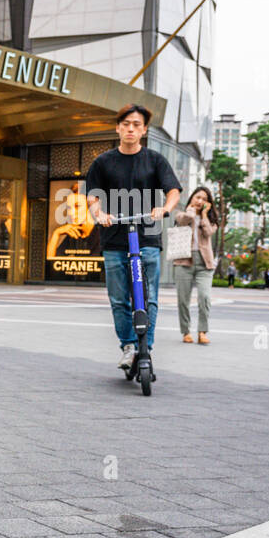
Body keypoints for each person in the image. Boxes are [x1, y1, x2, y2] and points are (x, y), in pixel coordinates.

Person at [83, 104, 181, 369]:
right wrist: (99, 212)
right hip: (114, 238)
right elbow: (92, 194)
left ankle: (145, 347)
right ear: (117, 128)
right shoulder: (102, 162)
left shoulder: (155, 160)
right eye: (126, 123)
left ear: (144, 130)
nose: (130, 128)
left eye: (136, 124)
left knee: (148, 298)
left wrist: (165, 208)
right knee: (118, 298)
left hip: (147, 236)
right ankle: (128, 346)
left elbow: (173, 190)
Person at [173, 186, 220, 344]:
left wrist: (205, 215)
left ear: (209, 203)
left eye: (204, 199)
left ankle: (202, 331)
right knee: (183, 299)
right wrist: (191, 212)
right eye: (197, 197)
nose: (200, 201)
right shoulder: (181, 214)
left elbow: (208, 233)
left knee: (205, 297)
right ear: (192, 197)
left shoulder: (211, 219)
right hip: (184, 260)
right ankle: (185, 331)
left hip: (204, 263)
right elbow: (183, 221)